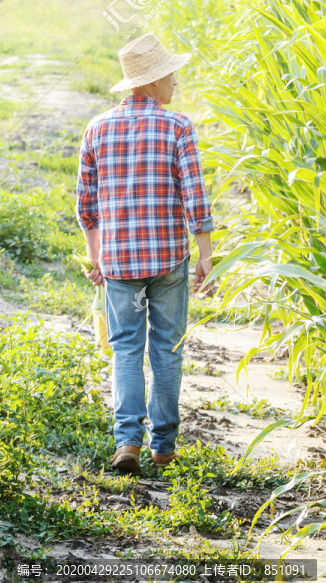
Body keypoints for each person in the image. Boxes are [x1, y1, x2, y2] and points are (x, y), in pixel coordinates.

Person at [75, 33, 214, 472]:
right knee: (167, 349)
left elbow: (86, 205)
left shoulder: (97, 128)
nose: (175, 81)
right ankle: (164, 447)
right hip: (169, 260)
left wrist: (95, 256)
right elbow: (195, 198)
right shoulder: (178, 127)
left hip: (119, 264)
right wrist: (206, 253)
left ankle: (127, 442)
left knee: (126, 349)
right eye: (170, 73)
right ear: (153, 82)